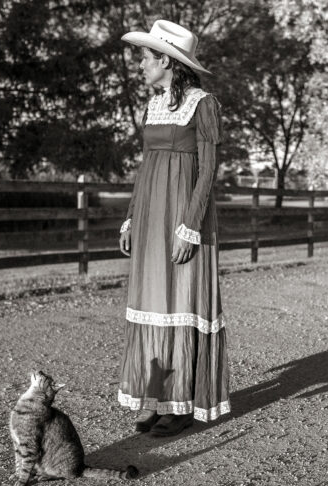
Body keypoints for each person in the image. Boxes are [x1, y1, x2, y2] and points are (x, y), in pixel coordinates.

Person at [117, 20, 229, 437]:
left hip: (183, 216)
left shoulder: (203, 103)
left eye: (146, 57)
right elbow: (146, 166)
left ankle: (180, 404)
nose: (141, 64)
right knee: (153, 306)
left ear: (166, 59)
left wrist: (190, 226)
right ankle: (155, 395)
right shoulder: (152, 105)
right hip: (149, 215)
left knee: (180, 305)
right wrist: (130, 215)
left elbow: (208, 170)